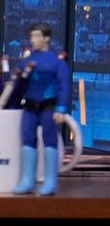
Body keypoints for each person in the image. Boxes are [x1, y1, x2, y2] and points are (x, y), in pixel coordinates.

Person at [13, 22, 72, 195]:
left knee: (49, 140)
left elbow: (64, 85)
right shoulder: (27, 60)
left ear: (47, 38)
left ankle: (50, 181)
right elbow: (18, 83)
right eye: (32, 36)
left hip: (49, 106)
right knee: (27, 139)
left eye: (37, 36)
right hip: (30, 106)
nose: (34, 39)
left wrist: (61, 108)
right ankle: (27, 179)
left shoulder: (56, 62)